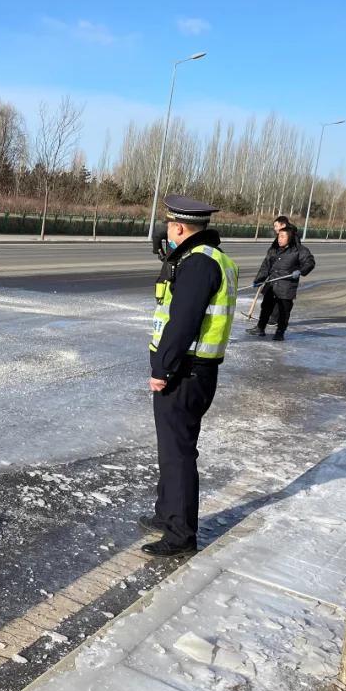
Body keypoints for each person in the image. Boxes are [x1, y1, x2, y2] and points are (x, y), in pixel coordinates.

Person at [141, 195, 239, 558]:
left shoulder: (198, 264)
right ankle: (166, 514)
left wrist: (162, 368)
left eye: (169, 225)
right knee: (172, 449)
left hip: (185, 372)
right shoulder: (213, 258)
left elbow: (182, 323)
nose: (166, 231)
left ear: (179, 227)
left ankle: (180, 533)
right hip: (195, 371)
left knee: (178, 453)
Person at [245, 223, 315, 341]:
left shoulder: (299, 250)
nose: (279, 239)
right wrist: (259, 280)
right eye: (278, 236)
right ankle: (260, 328)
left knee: (284, 311)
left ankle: (280, 332)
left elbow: (310, 262)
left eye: (283, 237)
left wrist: (301, 271)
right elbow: (265, 266)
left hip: (286, 286)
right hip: (272, 284)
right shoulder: (274, 249)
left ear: (290, 237)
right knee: (266, 307)